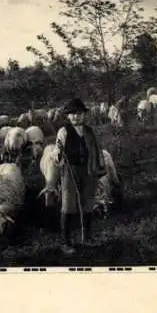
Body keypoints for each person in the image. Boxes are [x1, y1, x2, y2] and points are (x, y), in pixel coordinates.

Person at [55, 98, 106, 254]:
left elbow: (97, 150)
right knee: (68, 205)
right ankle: (65, 242)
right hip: (70, 171)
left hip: (89, 170)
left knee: (88, 203)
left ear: (84, 115)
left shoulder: (89, 131)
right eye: (73, 114)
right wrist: (58, 153)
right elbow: (57, 150)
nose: (76, 117)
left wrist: (100, 168)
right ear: (68, 117)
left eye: (79, 114)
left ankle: (87, 238)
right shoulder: (63, 132)